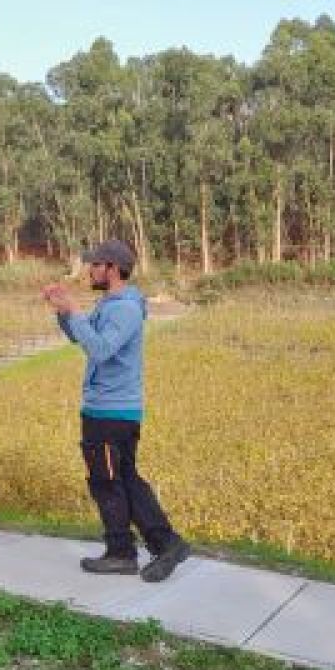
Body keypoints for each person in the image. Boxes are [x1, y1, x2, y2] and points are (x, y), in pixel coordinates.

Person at [42, 240, 191, 583]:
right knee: (118, 479)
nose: (90, 270)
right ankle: (148, 547)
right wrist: (63, 311)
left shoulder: (123, 308)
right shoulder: (111, 303)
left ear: (112, 268)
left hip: (111, 411)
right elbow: (81, 337)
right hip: (107, 409)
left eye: (95, 265)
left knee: (109, 482)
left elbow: (101, 349)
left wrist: (75, 311)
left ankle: (139, 549)